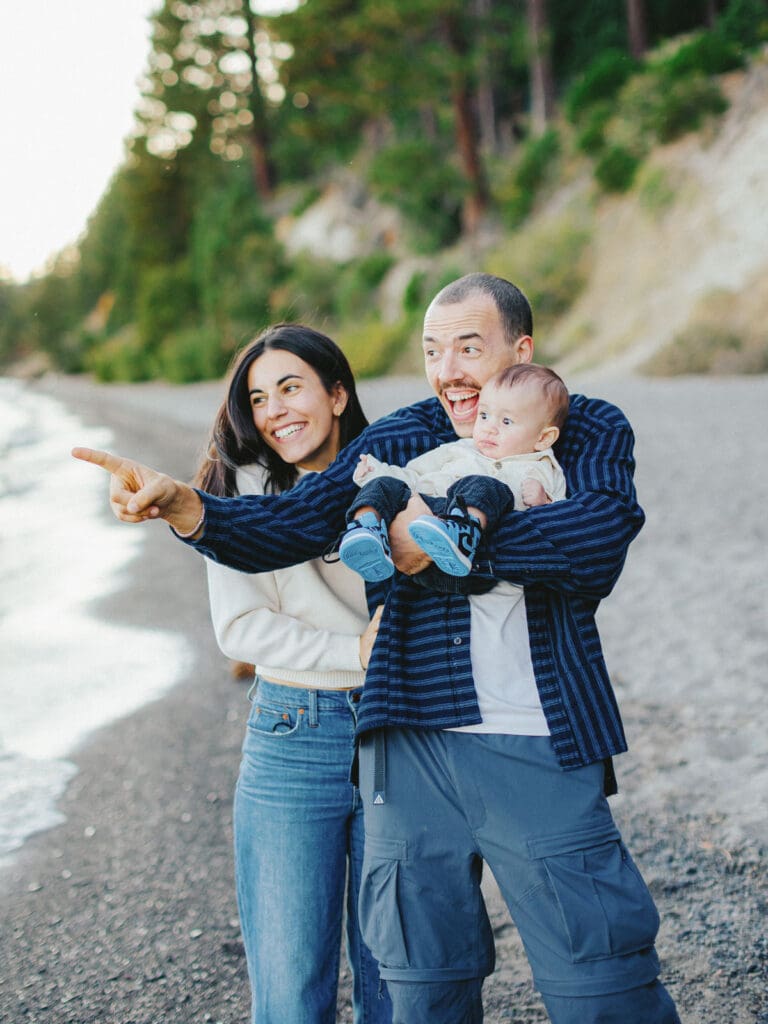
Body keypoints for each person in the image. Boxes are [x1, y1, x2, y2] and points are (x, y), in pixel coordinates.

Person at [72, 273, 681, 1024]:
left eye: (469, 347)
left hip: (540, 742)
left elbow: (595, 542)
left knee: (602, 982)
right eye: (432, 350)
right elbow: (295, 524)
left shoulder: (586, 426)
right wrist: (189, 507)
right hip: (407, 750)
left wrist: (446, 544)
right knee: (417, 990)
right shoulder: (399, 437)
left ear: (520, 348)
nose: (449, 369)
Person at [182, 324, 391, 1024]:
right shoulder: (233, 491)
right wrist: (352, 652)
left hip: (402, 732)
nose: (274, 410)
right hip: (294, 732)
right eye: (258, 397)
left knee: (392, 978)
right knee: (290, 992)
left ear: (337, 394)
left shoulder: (392, 474)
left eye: (291, 387)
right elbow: (239, 628)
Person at [338, 362, 568, 581]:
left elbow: (561, 519)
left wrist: (543, 501)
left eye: (506, 421)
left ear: (543, 437)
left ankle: (460, 536)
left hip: (467, 552)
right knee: (381, 486)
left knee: (483, 485)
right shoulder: (458, 449)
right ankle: (366, 532)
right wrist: (376, 472)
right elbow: (413, 476)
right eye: (485, 415)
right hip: (424, 520)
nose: (489, 428)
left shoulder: (541, 468)